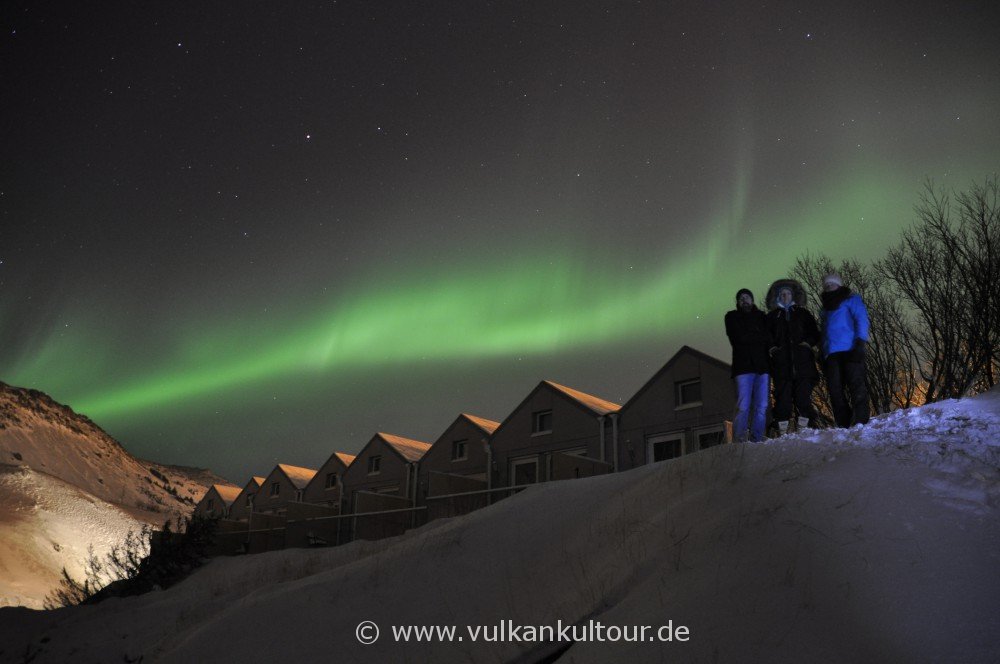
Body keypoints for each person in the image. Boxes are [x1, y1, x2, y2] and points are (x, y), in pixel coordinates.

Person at [765, 279, 820, 434]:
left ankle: (805, 429)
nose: (785, 296)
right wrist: (774, 348)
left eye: (788, 293)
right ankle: (782, 433)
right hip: (782, 366)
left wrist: (807, 344)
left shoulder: (804, 314)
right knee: (782, 401)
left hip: (803, 364)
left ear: (793, 295)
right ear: (777, 297)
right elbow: (766, 337)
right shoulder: (771, 317)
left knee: (803, 398)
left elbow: (814, 333)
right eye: (782, 294)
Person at [820, 273, 870, 427]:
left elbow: (861, 318)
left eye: (832, 284)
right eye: (826, 285)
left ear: (839, 285)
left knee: (856, 385)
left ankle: (861, 419)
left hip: (851, 348)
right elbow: (824, 331)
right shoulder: (825, 309)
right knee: (835, 390)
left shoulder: (851, 299)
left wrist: (861, 342)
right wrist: (823, 352)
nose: (829, 287)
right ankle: (843, 423)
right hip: (832, 353)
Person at [725, 288, 770, 442]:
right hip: (743, 368)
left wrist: (753, 335)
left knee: (762, 407)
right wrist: (758, 335)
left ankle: (756, 439)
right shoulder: (732, 317)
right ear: (738, 302)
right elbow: (738, 337)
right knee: (743, 406)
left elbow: (768, 338)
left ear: (752, 300)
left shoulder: (762, 317)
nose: (744, 300)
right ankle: (739, 440)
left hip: (762, 367)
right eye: (741, 298)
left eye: (747, 297)